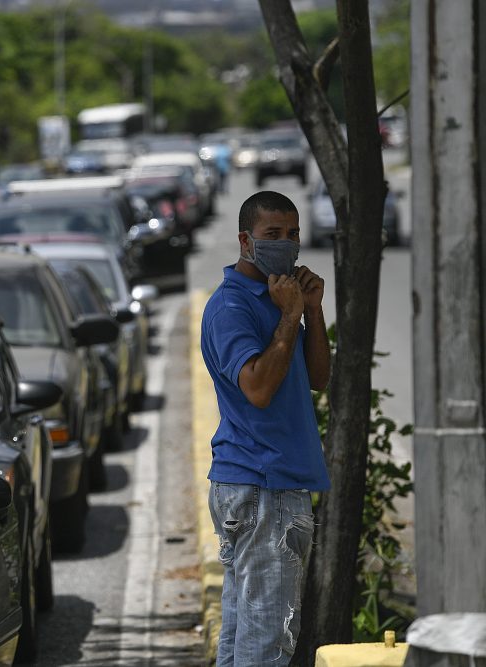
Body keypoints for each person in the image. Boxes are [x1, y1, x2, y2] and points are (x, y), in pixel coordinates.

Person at [200, 190, 331, 666]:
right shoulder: (232, 306)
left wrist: (310, 311)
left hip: (266, 486)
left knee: (242, 643)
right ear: (244, 240)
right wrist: (289, 317)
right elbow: (256, 387)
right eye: (272, 235)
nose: (286, 244)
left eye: (293, 234)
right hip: (262, 487)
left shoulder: (283, 297)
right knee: (267, 648)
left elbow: (317, 379)